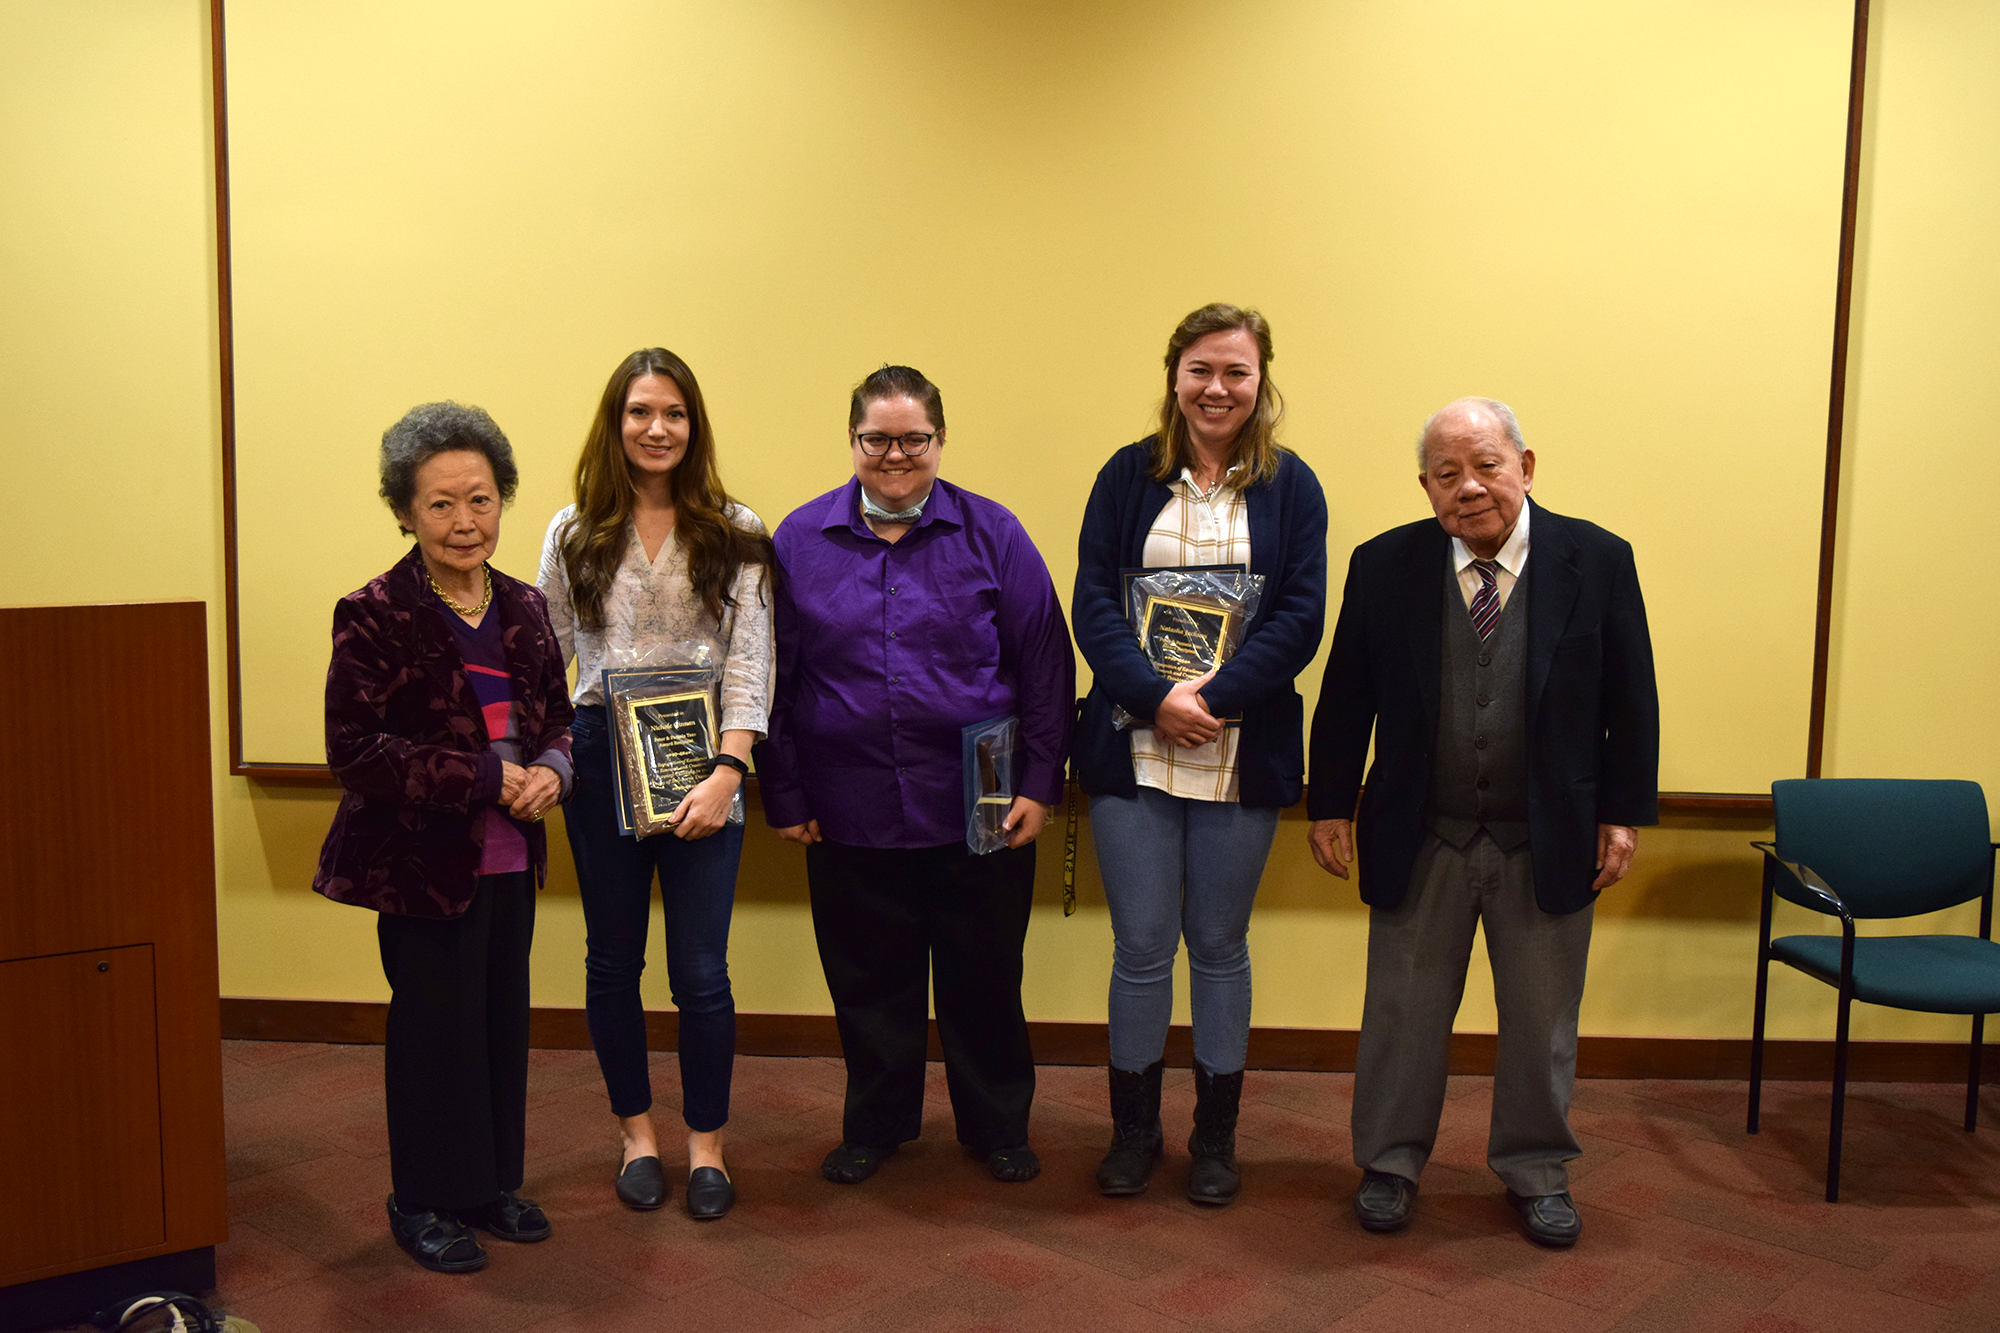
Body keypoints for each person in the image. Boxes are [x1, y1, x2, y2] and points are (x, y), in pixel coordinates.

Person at [1307, 397, 1659, 1248]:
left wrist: (1622, 812)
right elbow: (1346, 693)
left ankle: (1537, 1169)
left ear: (1525, 467)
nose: (1468, 487)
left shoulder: (1598, 559)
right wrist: (1329, 801)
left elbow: (1632, 697)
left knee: (1541, 1022)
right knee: (1402, 1015)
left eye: (1486, 466)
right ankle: (1389, 1163)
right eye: (1446, 473)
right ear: (1425, 486)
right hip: (1422, 831)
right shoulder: (1384, 564)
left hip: (1547, 836)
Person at [759, 364, 1074, 1186]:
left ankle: (997, 1125)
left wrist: (1040, 783)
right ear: (852, 439)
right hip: (848, 804)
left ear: (940, 439)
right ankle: (877, 1124)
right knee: (868, 981)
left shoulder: (994, 533)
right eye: (877, 439)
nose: (895, 455)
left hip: (982, 803)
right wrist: (783, 789)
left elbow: (1045, 664)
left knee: (985, 977)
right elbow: (770, 674)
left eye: (913, 439)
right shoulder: (799, 540)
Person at [1071, 303, 1327, 1205]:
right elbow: (1092, 601)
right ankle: (1134, 1132)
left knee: (1219, 945)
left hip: (1238, 748)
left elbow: (1301, 616)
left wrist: (1210, 700)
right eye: (1201, 371)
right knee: (1141, 947)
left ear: (1261, 381)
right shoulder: (1126, 475)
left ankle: (1215, 1138)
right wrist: (1157, 698)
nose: (1218, 388)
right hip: (1136, 746)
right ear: (1174, 377)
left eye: (1236, 372)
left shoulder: (1293, 487)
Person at [314, 401, 575, 1274]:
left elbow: (558, 717)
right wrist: (488, 778)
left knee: (500, 1024)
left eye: (482, 499)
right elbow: (355, 750)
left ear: (503, 500)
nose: (466, 521)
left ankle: (490, 1183)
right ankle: (421, 1198)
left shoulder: (526, 604)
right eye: (441, 503)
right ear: (405, 511)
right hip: (421, 865)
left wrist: (554, 767)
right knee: (435, 1033)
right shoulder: (374, 611)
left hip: (512, 856)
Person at [537, 348, 774, 1222]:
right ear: (616, 423)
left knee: (702, 972)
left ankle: (707, 1146)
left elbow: (751, 662)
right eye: (640, 411)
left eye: (673, 413)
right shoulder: (573, 531)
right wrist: (545, 756)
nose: (657, 428)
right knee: (612, 960)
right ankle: (636, 1135)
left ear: (693, 425)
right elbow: (546, 655)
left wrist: (729, 771)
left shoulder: (737, 529)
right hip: (601, 754)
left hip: (703, 761)